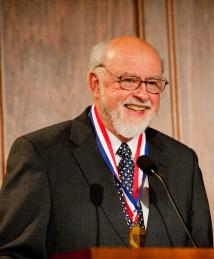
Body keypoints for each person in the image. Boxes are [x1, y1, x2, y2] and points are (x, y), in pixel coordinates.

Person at [0, 36, 212, 258]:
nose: (142, 94)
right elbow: (13, 255)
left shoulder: (183, 161)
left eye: (152, 83)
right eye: (128, 80)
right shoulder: (41, 153)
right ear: (96, 83)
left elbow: (201, 252)